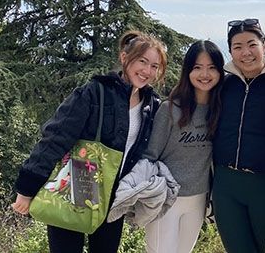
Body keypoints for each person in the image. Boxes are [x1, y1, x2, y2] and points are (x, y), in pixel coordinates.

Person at [11, 30, 168, 253]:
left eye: (154, 66)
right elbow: (55, 138)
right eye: (142, 61)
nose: (147, 71)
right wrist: (26, 188)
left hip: (114, 199)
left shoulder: (151, 105)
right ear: (125, 58)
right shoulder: (95, 93)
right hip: (75, 188)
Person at [212, 18, 265, 253]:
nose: (245, 52)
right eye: (237, 47)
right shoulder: (224, 85)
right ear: (230, 52)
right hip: (225, 185)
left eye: (251, 44)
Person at [142, 40, 224, 253]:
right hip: (166, 199)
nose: (204, 74)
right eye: (197, 67)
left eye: (211, 68)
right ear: (188, 71)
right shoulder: (170, 110)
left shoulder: (220, 112)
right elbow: (150, 155)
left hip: (198, 199)